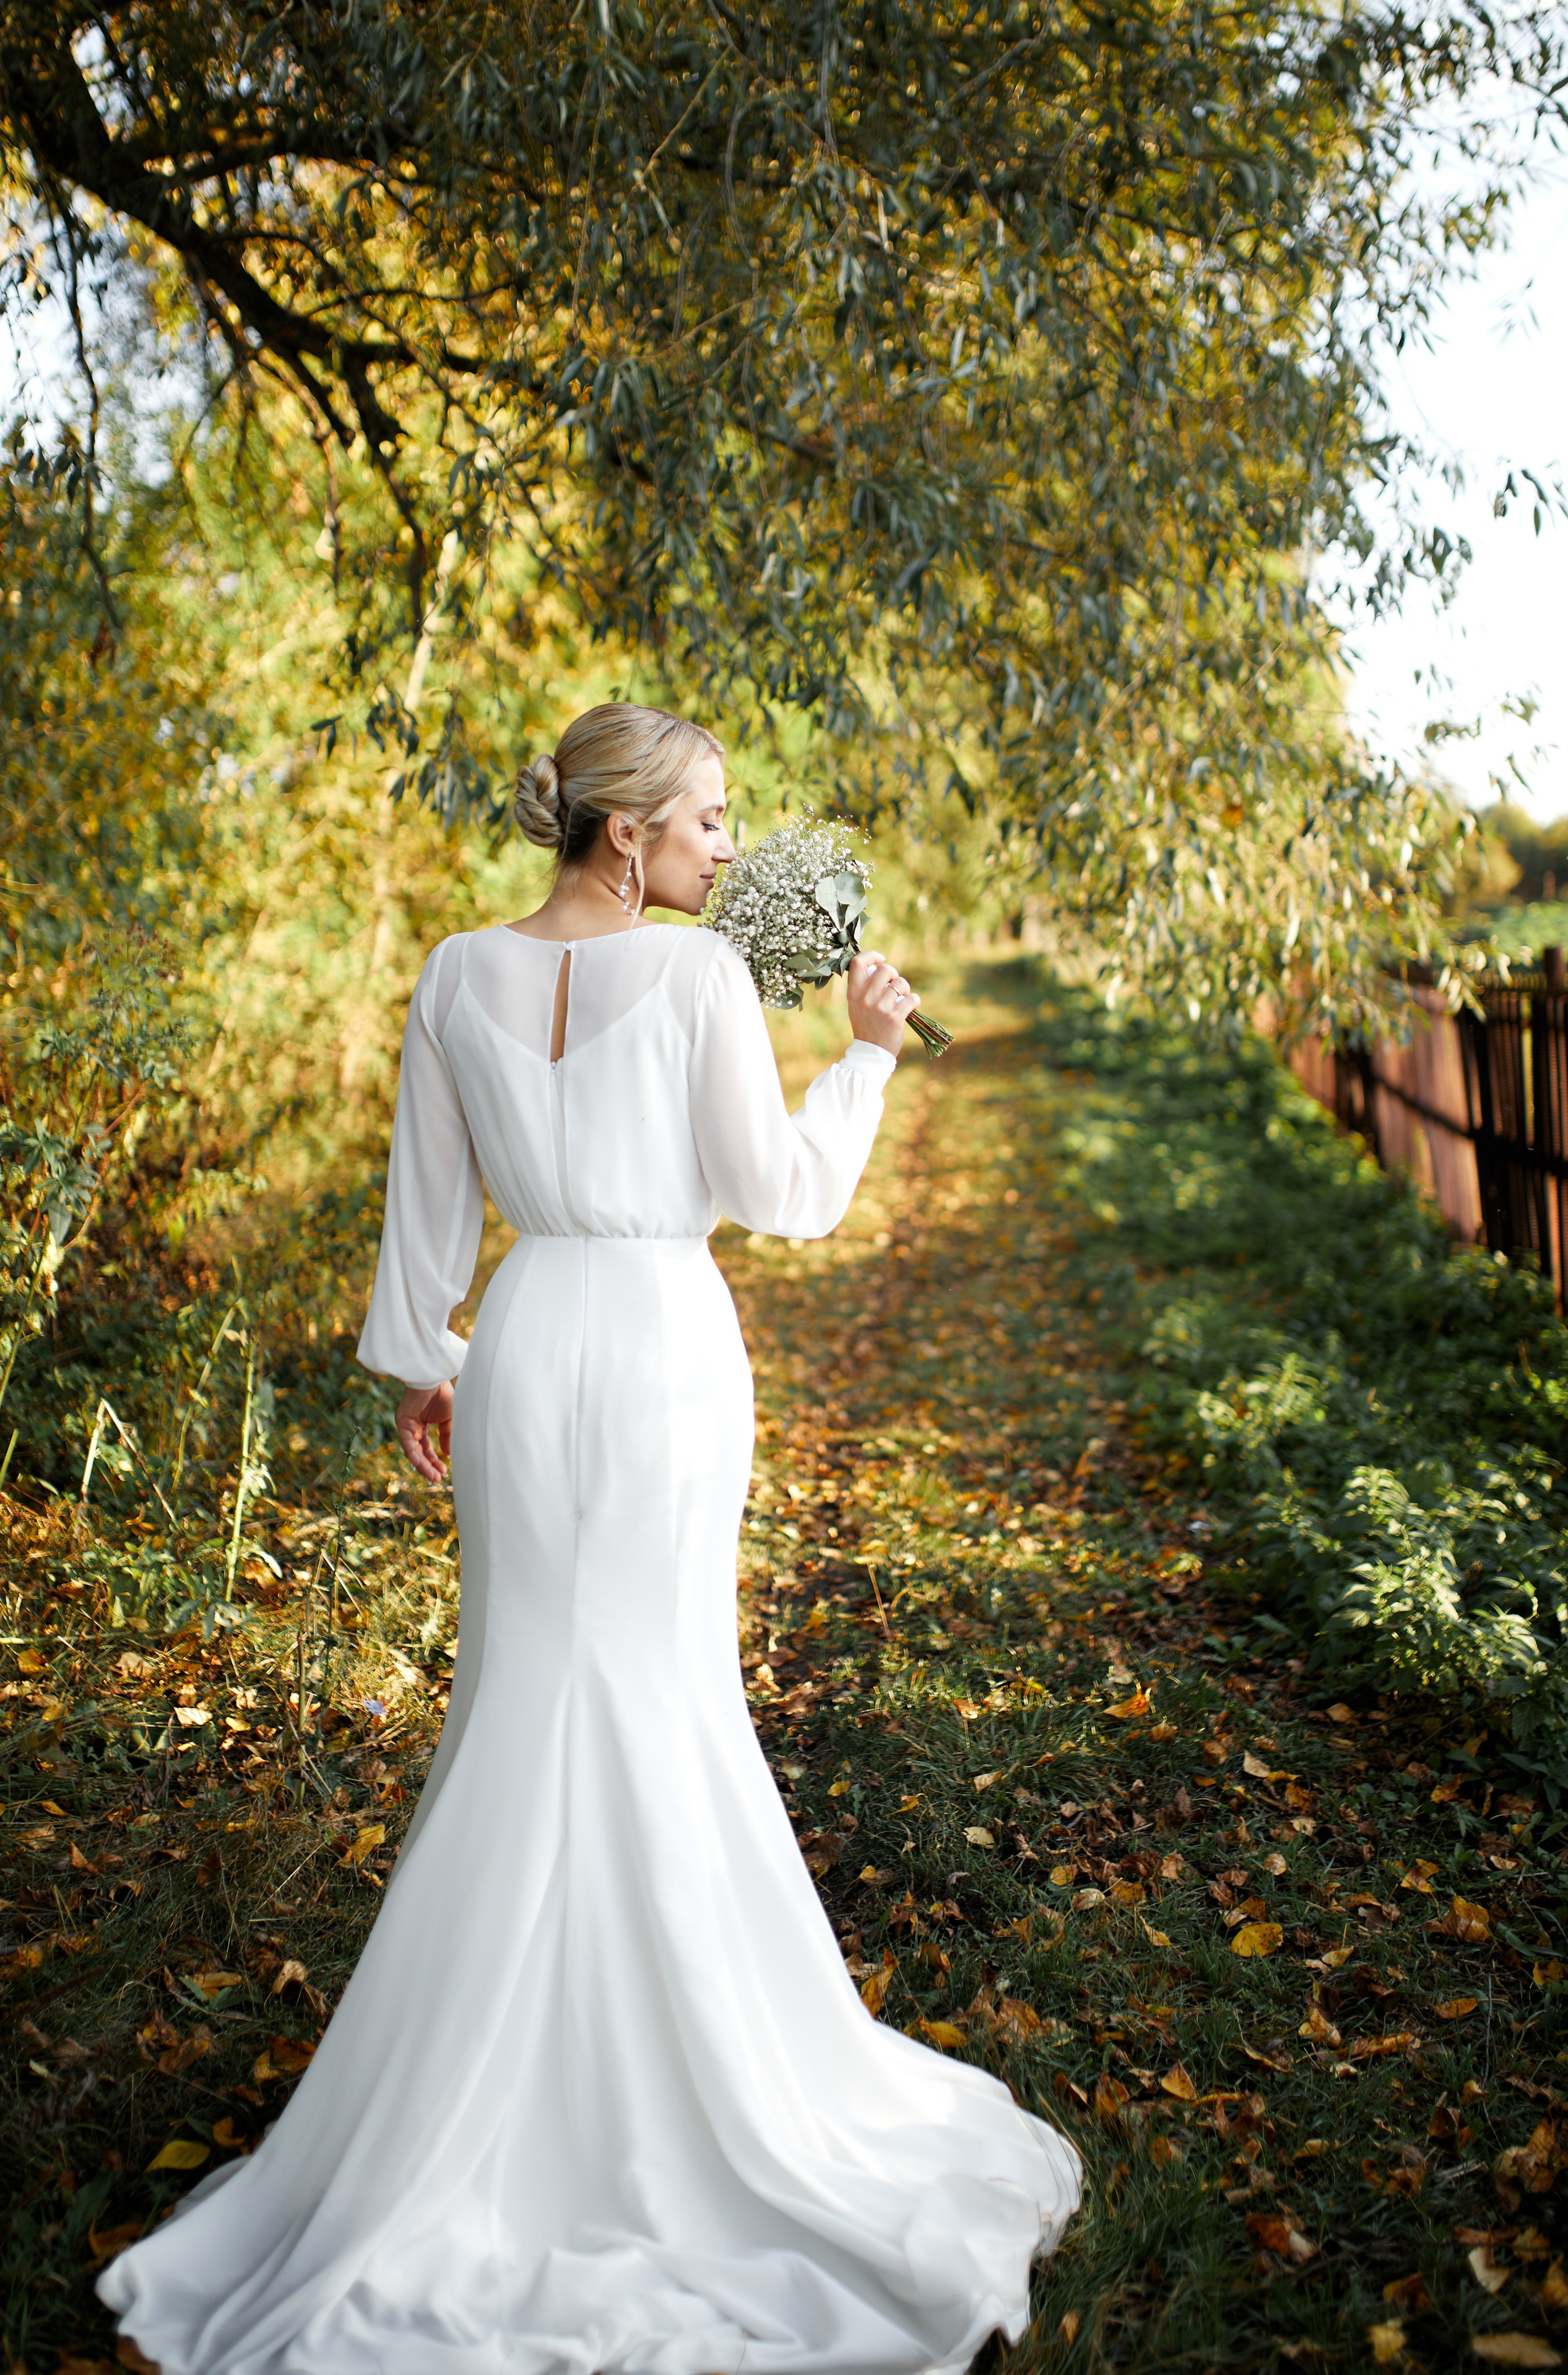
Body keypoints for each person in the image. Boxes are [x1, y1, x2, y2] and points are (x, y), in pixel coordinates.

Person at [100, 702, 1081, 2375]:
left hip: (531, 1337)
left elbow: (425, 1219)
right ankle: (678, 2089)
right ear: (624, 833)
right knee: (658, 1691)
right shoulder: (699, 982)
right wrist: (865, 1052)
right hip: (661, 1355)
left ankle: (467, 2109)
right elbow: (780, 1197)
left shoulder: (455, 975)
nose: (723, 846)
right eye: (705, 821)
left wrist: (433, 1366)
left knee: (525, 1697)